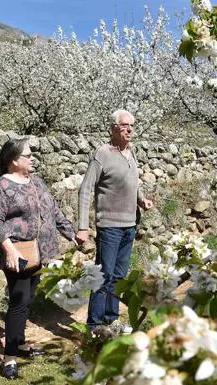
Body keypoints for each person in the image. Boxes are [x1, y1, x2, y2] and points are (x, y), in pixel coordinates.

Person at [0, 138, 77, 379]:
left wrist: (71, 232)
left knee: (28, 298)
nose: (33, 157)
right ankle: (9, 358)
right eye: (28, 154)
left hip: (41, 252)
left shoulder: (36, 182)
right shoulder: (1, 187)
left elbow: (53, 209)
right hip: (19, 254)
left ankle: (22, 344)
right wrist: (9, 249)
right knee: (18, 302)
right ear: (14, 160)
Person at [76, 109, 153, 331]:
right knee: (104, 276)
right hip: (109, 227)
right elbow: (85, 190)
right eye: (124, 125)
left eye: (132, 126)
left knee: (119, 276)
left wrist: (141, 200)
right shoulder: (102, 154)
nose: (130, 130)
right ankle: (94, 325)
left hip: (130, 225)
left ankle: (110, 319)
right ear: (113, 128)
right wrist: (83, 227)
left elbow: (133, 183)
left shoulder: (132, 153)